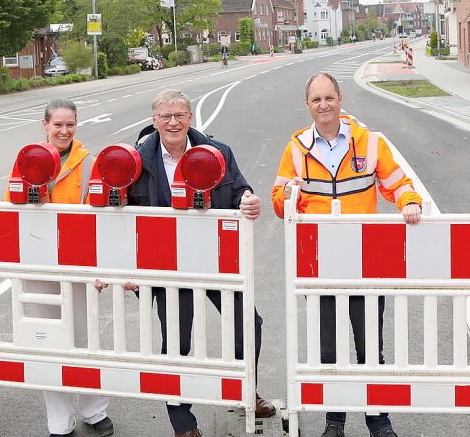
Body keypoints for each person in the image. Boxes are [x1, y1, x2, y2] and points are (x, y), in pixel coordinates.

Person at [271, 73, 422, 437]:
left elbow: (396, 182)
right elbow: (279, 204)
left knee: (371, 346)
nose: (324, 105)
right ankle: (334, 421)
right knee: (328, 349)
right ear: (306, 105)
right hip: (320, 263)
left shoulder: (369, 143)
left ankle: (378, 420)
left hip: (364, 261)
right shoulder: (296, 148)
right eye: (316, 100)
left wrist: (410, 201)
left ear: (340, 99)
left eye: (329, 98)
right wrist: (288, 194)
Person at [126, 90, 276, 437]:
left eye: (180, 115)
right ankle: (182, 423)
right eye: (166, 116)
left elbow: (239, 189)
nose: (173, 122)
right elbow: (117, 213)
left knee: (249, 324)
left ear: (190, 118)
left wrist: (248, 199)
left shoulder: (218, 152)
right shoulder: (136, 159)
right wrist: (128, 269)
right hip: (167, 266)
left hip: (216, 260)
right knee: (176, 344)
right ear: (154, 121)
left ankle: (245, 393)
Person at [4, 99, 114, 437]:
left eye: (70, 125)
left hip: (78, 262)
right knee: (48, 341)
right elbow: (11, 206)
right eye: (57, 125)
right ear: (45, 125)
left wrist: (101, 267)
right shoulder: (26, 161)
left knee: (84, 338)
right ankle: (59, 422)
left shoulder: (90, 162)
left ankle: (95, 411)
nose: (64, 131)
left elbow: (103, 214)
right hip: (37, 263)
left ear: (76, 126)